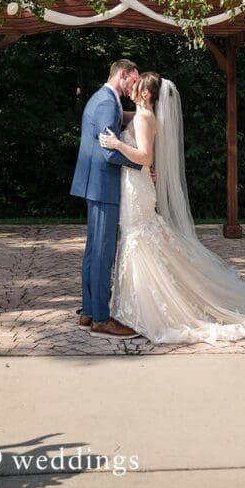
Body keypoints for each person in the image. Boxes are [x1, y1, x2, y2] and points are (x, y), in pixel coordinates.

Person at [99, 73, 245, 344]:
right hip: (137, 184)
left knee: (137, 237)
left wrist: (117, 144)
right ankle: (135, 303)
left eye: (137, 86)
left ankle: (143, 307)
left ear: (146, 94)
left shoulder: (143, 118)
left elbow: (146, 157)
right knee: (139, 237)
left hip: (136, 188)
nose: (131, 88)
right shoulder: (143, 116)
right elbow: (129, 124)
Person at [70, 59, 143, 338]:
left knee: (94, 251)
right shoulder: (107, 103)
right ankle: (101, 319)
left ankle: (89, 312)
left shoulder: (106, 99)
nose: (135, 86)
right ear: (123, 74)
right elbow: (108, 152)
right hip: (102, 185)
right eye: (134, 80)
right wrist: (142, 165)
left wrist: (140, 115)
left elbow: (115, 122)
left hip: (96, 184)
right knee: (102, 253)